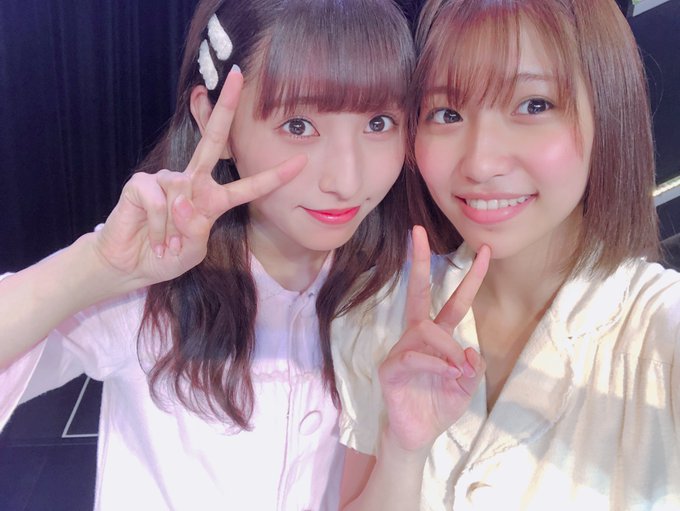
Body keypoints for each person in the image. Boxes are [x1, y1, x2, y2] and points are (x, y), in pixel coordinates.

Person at [0, 0, 415, 509]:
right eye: (298, 125)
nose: (347, 180)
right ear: (212, 116)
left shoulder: (397, 291)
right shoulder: (145, 289)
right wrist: (96, 269)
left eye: (379, 123)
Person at [333, 0, 680, 509]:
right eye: (447, 113)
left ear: (609, 112)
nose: (480, 162)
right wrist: (403, 453)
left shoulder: (658, 335)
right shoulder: (373, 313)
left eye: (533, 105)